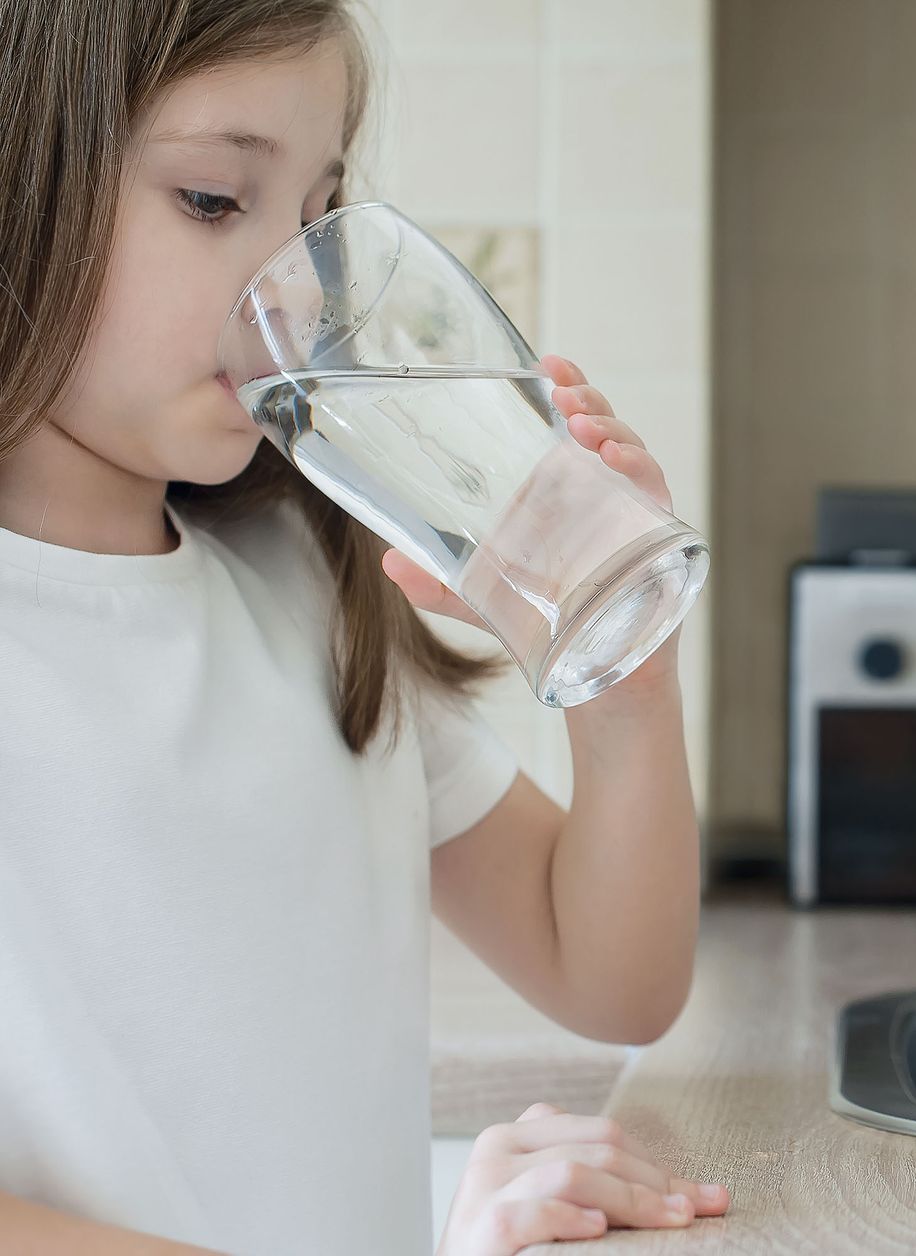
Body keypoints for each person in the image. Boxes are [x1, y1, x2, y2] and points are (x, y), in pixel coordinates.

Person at [0, 1, 729, 1251]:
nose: (296, 285)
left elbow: (614, 977)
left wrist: (623, 684)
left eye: (316, 221)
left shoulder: (299, 585)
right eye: (216, 201)